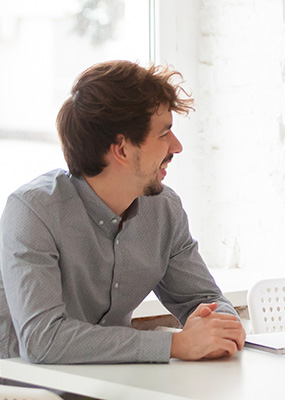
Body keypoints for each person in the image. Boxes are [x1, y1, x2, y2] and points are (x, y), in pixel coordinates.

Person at [0, 60, 245, 364]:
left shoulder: (164, 210)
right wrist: (174, 345)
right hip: (29, 392)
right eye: (164, 133)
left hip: (118, 385)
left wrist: (220, 325)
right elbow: (43, 340)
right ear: (122, 149)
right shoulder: (32, 212)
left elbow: (203, 300)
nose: (177, 146)